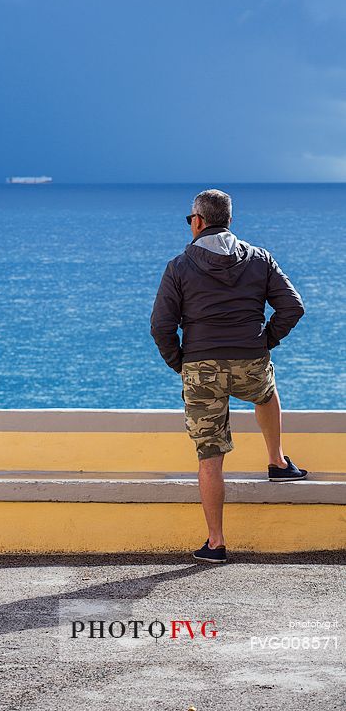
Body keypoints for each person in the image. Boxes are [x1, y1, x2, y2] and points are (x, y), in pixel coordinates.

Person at [150, 188, 307, 564]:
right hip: (250, 359)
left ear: (199, 221)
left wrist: (183, 363)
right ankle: (278, 462)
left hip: (201, 368)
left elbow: (161, 326)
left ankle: (216, 543)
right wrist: (264, 340)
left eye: (190, 219)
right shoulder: (258, 258)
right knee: (266, 392)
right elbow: (293, 307)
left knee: (210, 456)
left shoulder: (179, 266)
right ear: (229, 221)